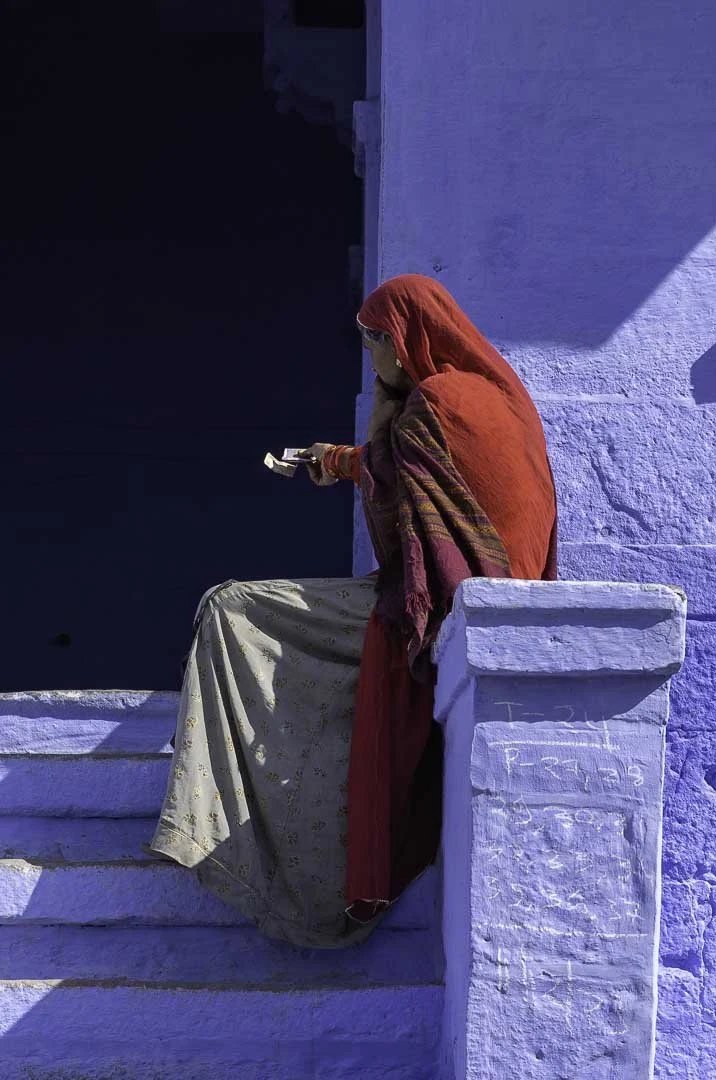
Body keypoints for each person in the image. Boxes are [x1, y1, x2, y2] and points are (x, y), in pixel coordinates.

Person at [148, 274, 559, 948]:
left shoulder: (430, 403)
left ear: (403, 340)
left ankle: (208, 825)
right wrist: (338, 461)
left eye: (376, 346)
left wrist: (378, 417)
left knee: (229, 609)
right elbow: (401, 471)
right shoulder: (504, 397)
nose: (375, 362)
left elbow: (404, 528)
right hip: (481, 609)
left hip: (431, 608)